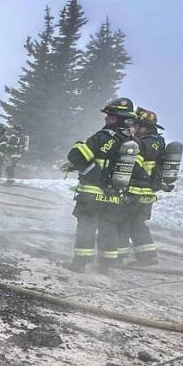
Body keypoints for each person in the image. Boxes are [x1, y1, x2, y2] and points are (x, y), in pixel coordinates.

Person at [65, 97, 136, 273]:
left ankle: (80, 263)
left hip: (92, 192)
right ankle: (106, 265)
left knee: (87, 226)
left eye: (109, 116)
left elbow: (77, 156)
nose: (106, 119)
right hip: (114, 194)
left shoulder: (102, 137)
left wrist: (78, 146)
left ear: (115, 118)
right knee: (108, 228)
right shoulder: (132, 142)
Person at [118, 108, 165, 265]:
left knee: (123, 220)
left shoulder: (144, 142)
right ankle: (148, 257)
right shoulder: (157, 141)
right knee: (137, 223)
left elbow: (133, 163)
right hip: (146, 191)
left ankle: (117, 256)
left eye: (136, 125)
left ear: (143, 126)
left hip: (135, 189)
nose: (133, 128)